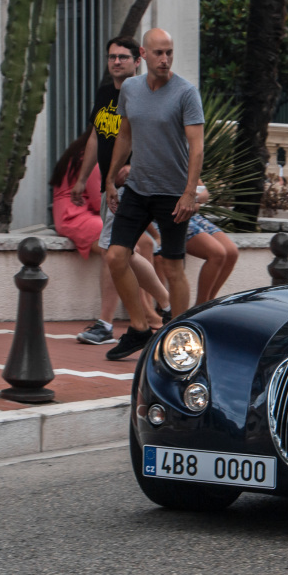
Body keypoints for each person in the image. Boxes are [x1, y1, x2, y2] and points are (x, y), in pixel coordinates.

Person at [102, 27, 205, 361]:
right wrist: (109, 180)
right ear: (143, 55)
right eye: (158, 53)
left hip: (173, 194)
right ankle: (139, 328)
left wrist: (189, 193)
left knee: (173, 268)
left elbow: (197, 147)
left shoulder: (186, 93)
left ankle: (178, 337)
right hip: (138, 188)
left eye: (169, 52)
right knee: (116, 256)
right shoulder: (130, 88)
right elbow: (125, 135)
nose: (165, 59)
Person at [68, 36, 171, 345]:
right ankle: (167, 305)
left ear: (137, 61)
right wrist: (82, 178)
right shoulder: (105, 94)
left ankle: (107, 322)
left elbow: (160, 141)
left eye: (123, 57)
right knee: (119, 251)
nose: (116, 62)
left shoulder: (145, 94)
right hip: (109, 186)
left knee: (113, 249)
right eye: (112, 57)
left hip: (133, 187)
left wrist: (134, 170)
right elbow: (96, 137)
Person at [51, 131, 167, 344]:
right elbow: (102, 202)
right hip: (76, 216)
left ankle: (149, 310)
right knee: (118, 250)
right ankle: (144, 312)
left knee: (140, 245)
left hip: (76, 214)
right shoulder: (96, 160)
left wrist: (152, 233)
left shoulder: (81, 152)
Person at [152, 183, 239, 309]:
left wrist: (193, 199)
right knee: (217, 253)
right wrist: (192, 199)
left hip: (192, 214)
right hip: (171, 214)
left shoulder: (188, 165)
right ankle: (200, 307)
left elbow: (204, 194)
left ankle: (208, 302)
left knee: (231, 252)